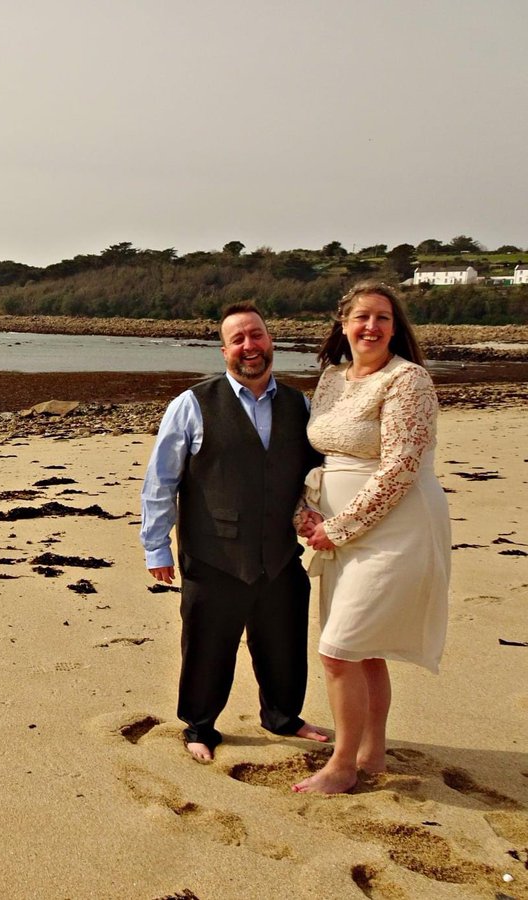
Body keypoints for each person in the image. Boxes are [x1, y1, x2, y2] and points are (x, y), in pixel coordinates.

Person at [140, 302, 329, 762]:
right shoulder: (192, 405)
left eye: (257, 336)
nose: (250, 346)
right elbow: (161, 480)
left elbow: (316, 471)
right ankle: (200, 726)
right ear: (224, 350)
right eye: (239, 339)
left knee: (283, 642)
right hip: (213, 554)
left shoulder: (298, 404)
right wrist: (156, 547)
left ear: (271, 341)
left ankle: (282, 716)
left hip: (280, 554)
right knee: (208, 647)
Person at [292, 281, 450, 794]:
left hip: (396, 530)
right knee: (363, 649)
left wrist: (338, 528)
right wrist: (306, 511)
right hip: (337, 533)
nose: (371, 327)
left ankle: (342, 765)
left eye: (383, 318)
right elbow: (321, 457)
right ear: (343, 324)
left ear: (395, 327)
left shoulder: (410, 381)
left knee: (339, 650)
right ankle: (373, 751)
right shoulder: (332, 378)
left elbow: (401, 468)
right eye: (361, 316)